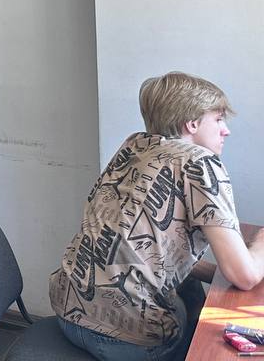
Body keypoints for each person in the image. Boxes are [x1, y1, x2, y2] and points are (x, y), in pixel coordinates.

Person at [49, 71, 264, 361]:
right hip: (126, 339)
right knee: (213, 335)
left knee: (190, 290)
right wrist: (260, 244)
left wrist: (217, 273)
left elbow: (139, 248)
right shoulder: (201, 163)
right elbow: (246, 276)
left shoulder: (135, 146)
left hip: (68, 311)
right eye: (218, 119)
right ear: (192, 123)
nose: (226, 130)